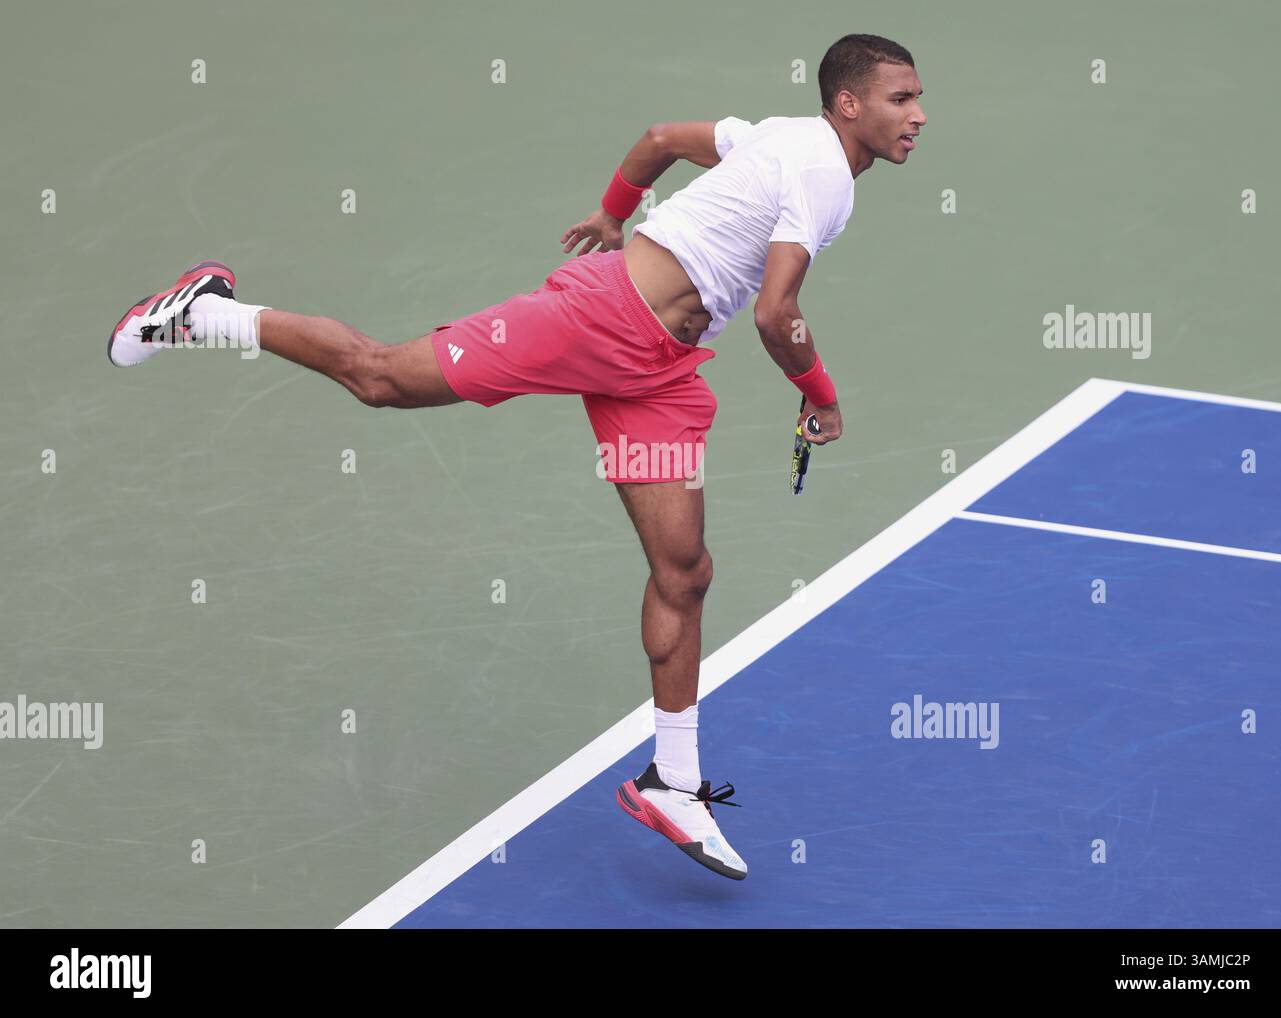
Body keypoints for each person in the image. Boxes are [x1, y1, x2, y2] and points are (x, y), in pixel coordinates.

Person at [106, 34, 926, 881]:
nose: (919, 115)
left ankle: (673, 783)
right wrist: (821, 394)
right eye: (902, 99)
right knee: (383, 378)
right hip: (600, 319)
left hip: (657, 371)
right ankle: (203, 313)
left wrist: (615, 211)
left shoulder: (771, 136)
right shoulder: (824, 175)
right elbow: (774, 312)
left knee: (684, 571)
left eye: (918, 99)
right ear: (849, 104)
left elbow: (656, 140)